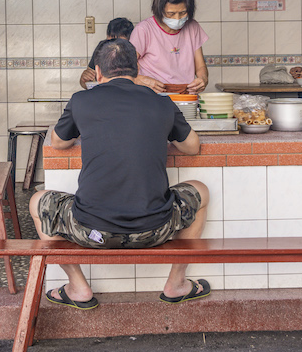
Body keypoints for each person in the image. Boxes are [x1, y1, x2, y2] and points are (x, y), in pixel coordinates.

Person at [30, 39, 211, 309]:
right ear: (137, 71)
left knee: (37, 202)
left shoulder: (82, 101)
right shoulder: (162, 103)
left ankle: (78, 287)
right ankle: (176, 283)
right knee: (201, 190)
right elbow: (192, 147)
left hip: (91, 231)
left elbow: (58, 142)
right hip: (156, 229)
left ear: (98, 73)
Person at [129, 0, 209, 94]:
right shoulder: (144, 29)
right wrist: (139, 79)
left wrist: (203, 79)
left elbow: (200, 66)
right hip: (153, 95)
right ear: (159, 9)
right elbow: (126, 69)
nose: (177, 18)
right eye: (171, 14)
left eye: (183, 13)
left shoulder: (193, 27)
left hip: (185, 95)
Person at [78, 17, 134, 89]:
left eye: (120, 43)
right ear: (107, 37)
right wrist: (84, 80)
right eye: (111, 41)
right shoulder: (102, 47)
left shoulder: (134, 52)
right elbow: (87, 82)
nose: (115, 46)